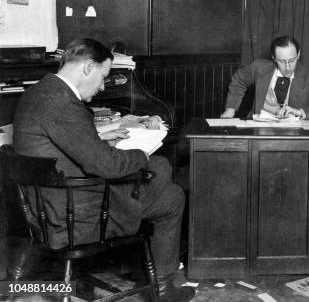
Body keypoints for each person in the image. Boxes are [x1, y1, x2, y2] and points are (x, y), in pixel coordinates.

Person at [12, 38, 194, 302]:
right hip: (71, 218)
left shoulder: (38, 92)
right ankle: (163, 290)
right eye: (103, 76)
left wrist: (102, 143)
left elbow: (66, 147)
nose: (101, 87)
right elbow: (105, 165)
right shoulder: (63, 103)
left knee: (162, 179)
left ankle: (155, 286)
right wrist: (140, 155)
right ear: (87, 67)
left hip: (40, 208)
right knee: (171, 192)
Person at [221, 35, 309, 120]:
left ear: (298, 54)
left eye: (292, 60)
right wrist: (231, 108)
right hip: (257, 129)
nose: (288, 67)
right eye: (282, 61)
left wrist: (301, 112)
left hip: (294, 135)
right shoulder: (259, 68)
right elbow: (238, 80)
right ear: (273, 58)